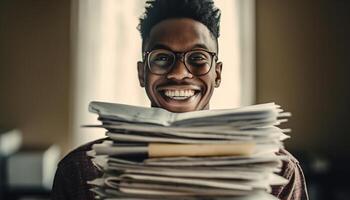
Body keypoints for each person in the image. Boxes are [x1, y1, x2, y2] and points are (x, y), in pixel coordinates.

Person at [52, 0, 309, 199]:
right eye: (162, 57)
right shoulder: (80, 170)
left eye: (197, 57)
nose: (178, 73)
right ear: (142, 73)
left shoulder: (277, 169)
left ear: (217, 74)